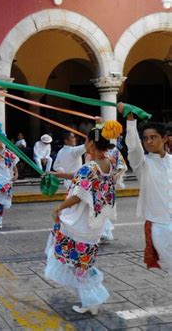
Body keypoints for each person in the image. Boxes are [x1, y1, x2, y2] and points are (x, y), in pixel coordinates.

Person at [44, 122, 126, 316]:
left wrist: (58, 208)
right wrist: (58, 174)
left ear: (90, 144)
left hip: (80, 223)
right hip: (94, 223)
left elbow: (78, 194)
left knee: (78, 266)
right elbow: (80, 176)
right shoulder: (109, 163)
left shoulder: (89, 168)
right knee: (83, 264)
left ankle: (90, 300)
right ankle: (89, 299)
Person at [119, 102, 172, 271]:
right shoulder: (143, 164)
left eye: (153, 137)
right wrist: (130, 120)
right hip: (160, 225)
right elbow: (134, 148)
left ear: (164, 138)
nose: (148, 141)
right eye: (145, 138)